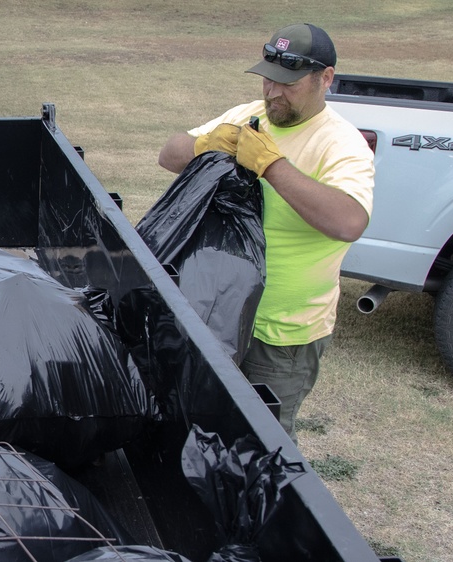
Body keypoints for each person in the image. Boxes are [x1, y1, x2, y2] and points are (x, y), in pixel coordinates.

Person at [157, 23, 375, 443]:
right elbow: (168, 154)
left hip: (282, 334)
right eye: (267, 78)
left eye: (287, 83)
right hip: (215, 313)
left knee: (262, 444)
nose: (273, 92)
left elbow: (348, 222)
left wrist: (272, 166)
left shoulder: (341, 144)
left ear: (324, 78)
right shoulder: (246, 115)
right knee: (199, 422)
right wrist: (205, 145)